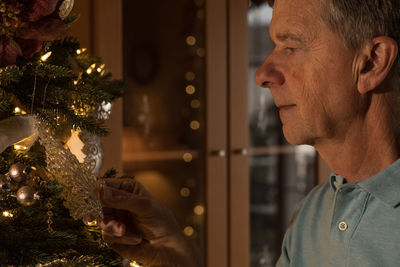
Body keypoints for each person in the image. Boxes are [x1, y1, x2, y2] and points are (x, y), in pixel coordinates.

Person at [100, 0, 400, 266]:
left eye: (291, 47)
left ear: (372, 62)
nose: (262, 74)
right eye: (274, 46)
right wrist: (179, 259)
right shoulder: (313, 215)